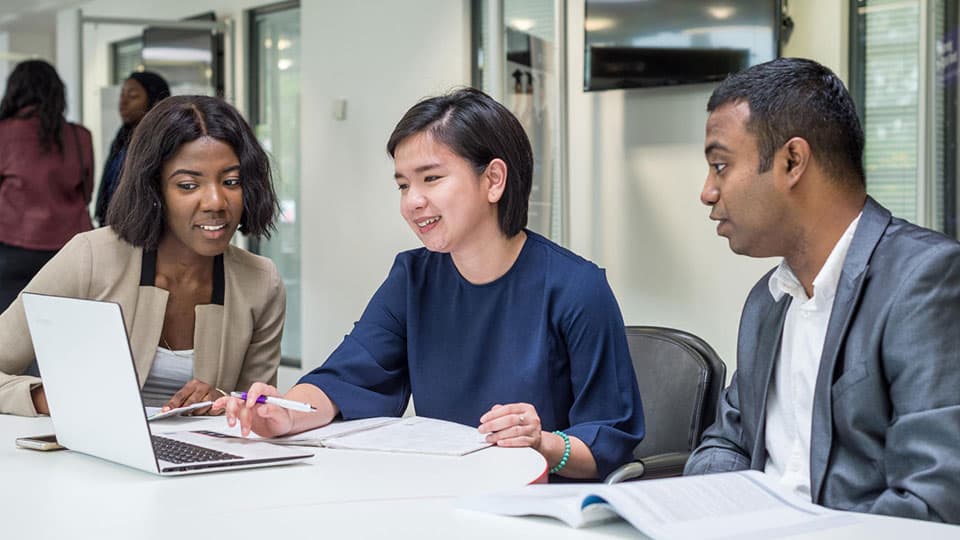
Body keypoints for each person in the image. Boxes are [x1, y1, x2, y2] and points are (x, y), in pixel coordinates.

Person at [217, 88, 645, 480]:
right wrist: (284, 413)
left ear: (493, 179)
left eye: (431, 178)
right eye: (403, 185)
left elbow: (607, 446)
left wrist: (543, 443)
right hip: (442, 492)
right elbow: (347, 374)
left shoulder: (576, 288)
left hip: (537, 507)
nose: (412, 202)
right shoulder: (412, 278)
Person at [685, 57, 960, 524]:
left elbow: (934, 497)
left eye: (720, 166)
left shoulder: (923, 280)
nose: (707, 192)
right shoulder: (767, 300)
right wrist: (702, 514)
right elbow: (728, 440)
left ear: (793, 161)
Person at [0, 95, 285, 417]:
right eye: (189, 185)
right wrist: (48, 397)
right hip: (87, 461)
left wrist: (225, 401)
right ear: (153, 189)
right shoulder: (91, 257)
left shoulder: (262, 281)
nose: (216, 202)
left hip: (200, 463)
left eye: (232, 182)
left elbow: (258, 407)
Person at [0, 60, 93, 312]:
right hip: (68, 250)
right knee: (58, 331)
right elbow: (86, 193)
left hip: (11, 247)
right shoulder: (79, 136)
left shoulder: (4, 133)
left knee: (8, 337)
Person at [94, 71, 170, 227]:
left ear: (155, 102)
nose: (123, 102)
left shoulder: (165, 142)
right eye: (121, 95)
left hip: (148, 228)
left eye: (133, 96)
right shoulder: (121, 137)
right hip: (114, 224)